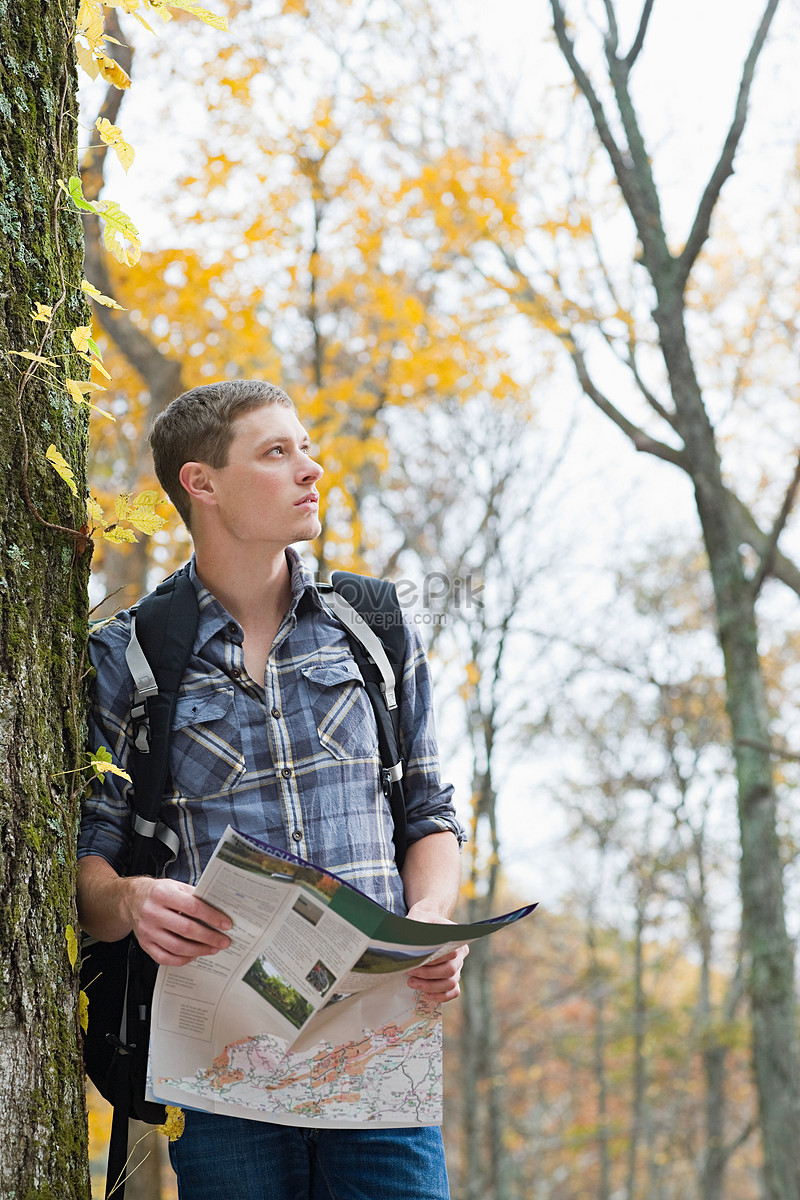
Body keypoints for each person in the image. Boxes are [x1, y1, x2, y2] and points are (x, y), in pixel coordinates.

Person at [77, 379, 467, 1199]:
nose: (311, 469)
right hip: (222, 1057)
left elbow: (428, 814)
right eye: (277, 452)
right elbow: (86, 868)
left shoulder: (377, 625)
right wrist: (134, 901)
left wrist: (429, 917)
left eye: (307, 448)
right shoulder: (130, 656)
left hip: (375, 1044)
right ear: (202, 482)